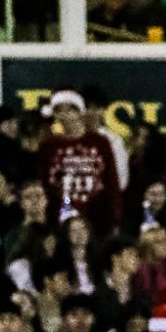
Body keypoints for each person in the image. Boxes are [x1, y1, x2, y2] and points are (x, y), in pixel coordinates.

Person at [39, 90, 123, 231]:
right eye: (59, 111)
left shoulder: (100, 142)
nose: (65, 116)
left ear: (80, 112)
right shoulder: (48, 146)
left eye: (70, 110)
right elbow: (44, 183)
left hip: (97, 216)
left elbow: (111, 181)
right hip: (60, 218)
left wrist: (116, 217)